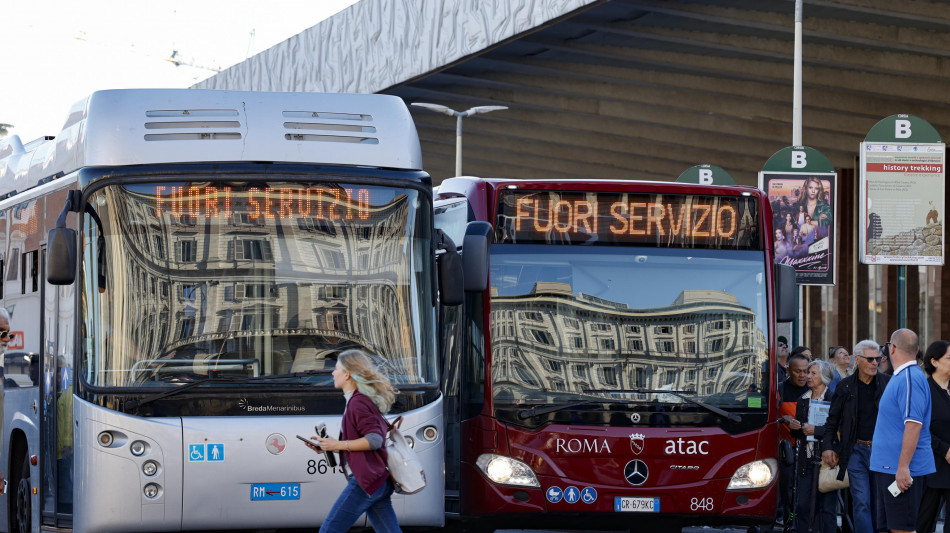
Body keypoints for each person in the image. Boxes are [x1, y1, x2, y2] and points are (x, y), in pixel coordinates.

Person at [315, 350, 401, 533]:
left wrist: (338, 445)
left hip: (366, 482)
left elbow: (374, 440)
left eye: (336, 369)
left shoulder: (358, 403)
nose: (332, 373)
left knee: (329, 530)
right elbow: (361, 443)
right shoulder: (358, 401)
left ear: (347, 374)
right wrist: (329, 446)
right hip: (378, 481)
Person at [870, 329, 935, 533]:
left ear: (892, 348)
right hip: (891, 468)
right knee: (892, 528)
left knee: (902, 529)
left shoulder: (909, 378)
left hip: (901, 470)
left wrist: (903, 467)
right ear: (916, 349)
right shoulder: (902, 376)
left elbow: (914, 424)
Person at [822, 340, 889, 533]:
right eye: (870, 359)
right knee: (861, 500)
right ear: (857, 360)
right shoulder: (845, 387)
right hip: (855, 451)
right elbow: (832, 420)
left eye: (877, 359)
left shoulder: (887, 383)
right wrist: (828, 446)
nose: (875, 363)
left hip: (881, 451)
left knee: (879, 502)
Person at [789, 360, 837, 533]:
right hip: (807, 459)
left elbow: (839, 429)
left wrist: (816, 430)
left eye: (813, 373)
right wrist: (795, 427)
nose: (808, 376)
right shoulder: (803, 399)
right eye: (808, 373)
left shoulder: (834, 399)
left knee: (827, 507)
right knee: (802, 504)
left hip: (827, 460)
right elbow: (797, 433)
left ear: (824, 377)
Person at [917, 340, 950, 533]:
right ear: (934, 361)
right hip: (930, 466)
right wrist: (944, 450)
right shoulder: (924, 389)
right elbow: (919, 428)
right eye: (949, 358)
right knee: (924, 521)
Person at [778, 352, 810, 525]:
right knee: (789, 492)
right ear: (789, 371)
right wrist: (783, 419)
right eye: (798, 371)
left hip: (809, 450)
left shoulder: (814, 390)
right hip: (787, 452)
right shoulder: (780, 390)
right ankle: (789, 522)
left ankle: (802, 523)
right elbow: (768, 418)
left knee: (805, 492)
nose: (802, 375)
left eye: (805, 371)